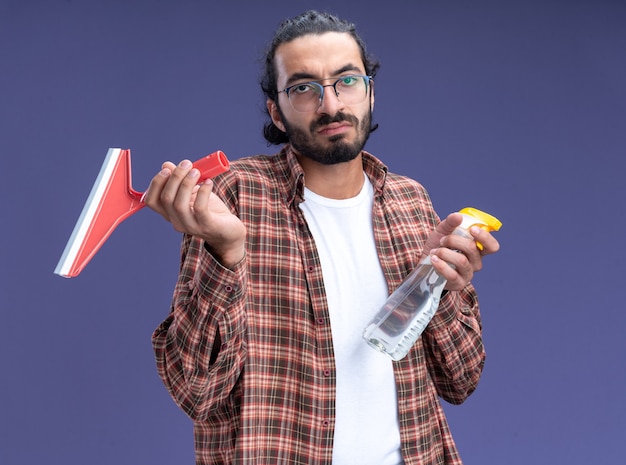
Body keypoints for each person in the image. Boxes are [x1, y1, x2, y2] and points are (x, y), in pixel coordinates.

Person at [144, 10, 500, 465]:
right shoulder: (234, 194)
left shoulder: (411, 201)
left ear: (370, 91)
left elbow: (461, 381)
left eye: (346, 81)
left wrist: (441, 287)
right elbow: (196, 391)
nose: (331, 105)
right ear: (276, 109)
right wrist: (227, 253)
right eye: (303, 88)